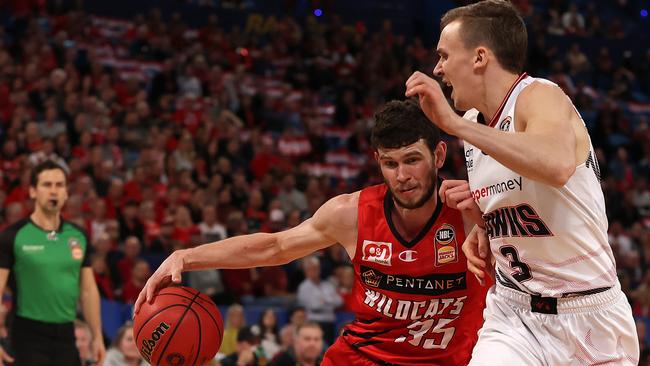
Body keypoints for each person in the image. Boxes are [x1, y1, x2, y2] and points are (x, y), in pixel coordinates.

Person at [136, 99, 488, 365]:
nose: (402, 176)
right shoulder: (350, 213)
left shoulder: (472, 213)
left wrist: (487, 224)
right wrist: (186, 256)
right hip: (362, 358)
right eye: (390, 163)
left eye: (412, 160)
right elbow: (273, 247)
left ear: (439, 155)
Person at [404, 1, 638, 364]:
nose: (438, 68)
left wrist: (454, 125)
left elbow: (556, 165)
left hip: (590, 315)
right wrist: (482, 224)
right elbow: (522, 205)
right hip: (514, 317)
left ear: (480, 57)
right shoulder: (473, 124)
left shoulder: (540, 96)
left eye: (445, 55)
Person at [0, 160, 106, 366]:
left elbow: (88, 291)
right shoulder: (13, 236)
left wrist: (97, 336)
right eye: (47, 185)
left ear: (66, 192)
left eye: (59, 185)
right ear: (32, 191)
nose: (54, 191)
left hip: (67, 333)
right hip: (26, 334)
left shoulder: (78, 236)